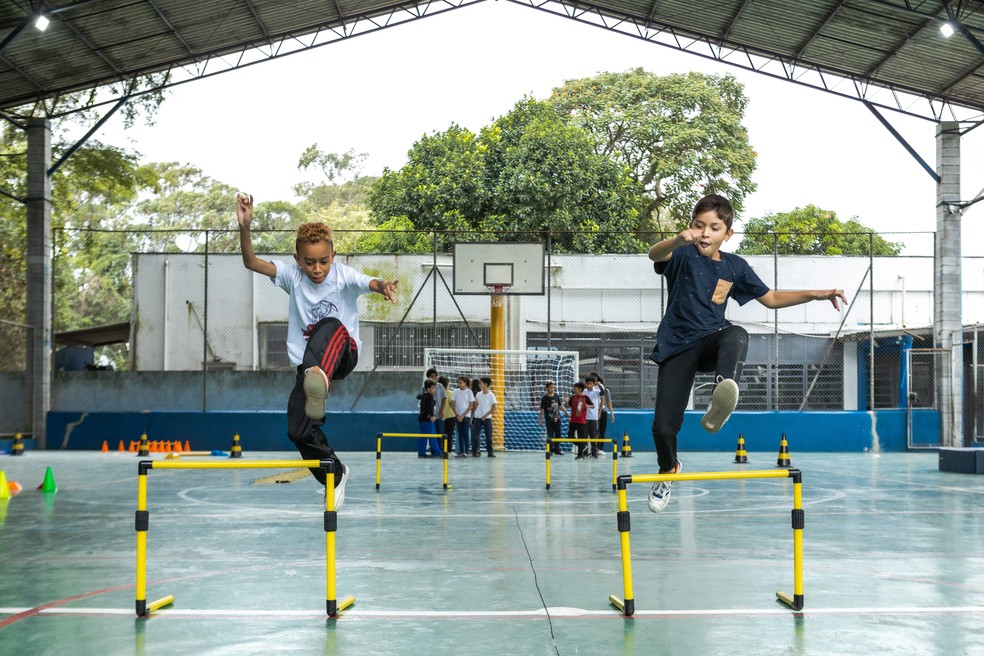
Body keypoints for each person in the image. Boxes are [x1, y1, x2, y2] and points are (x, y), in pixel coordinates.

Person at [646, 193, 847, 512]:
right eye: (699, 226)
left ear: (727, 234)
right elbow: (654, 254)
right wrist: (675, 240)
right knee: (663, 428)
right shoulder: (681, 254)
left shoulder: (735, 266)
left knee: (737, 333)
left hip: (712, 340)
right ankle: (668, 469)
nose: (705, 233)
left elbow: (771, 298)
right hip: (676, 348)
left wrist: (815, 294)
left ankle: (722, 393)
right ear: (691, 228)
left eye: (714, 227)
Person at [237, 193, 398, 510]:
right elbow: (250, 262)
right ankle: (335, 475)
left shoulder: (343, 276)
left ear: (333, 256)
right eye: (309, 262)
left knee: (330, 324)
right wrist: (245, 227)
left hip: (343, 352)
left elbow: (372, 282)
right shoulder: (291, 276)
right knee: (297, 430)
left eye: (323, 261)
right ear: (297, 259)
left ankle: (319, 377)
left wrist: (384, 288)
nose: (317, 269)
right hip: (308, 366)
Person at [417, 368, 443, 456]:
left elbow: (421, 403)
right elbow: (430, 407)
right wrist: (432, 415)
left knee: (422, 437)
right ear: (427, 388)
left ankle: (421, 452)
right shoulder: (430, 397)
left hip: (421, 419)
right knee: (432, 436)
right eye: (433, 388)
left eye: (435, 388)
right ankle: (437, 452)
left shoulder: (424, 396)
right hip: (428, 419)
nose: (434, 390)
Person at [538, 380, 568, 455]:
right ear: (547, 388)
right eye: (550, 387)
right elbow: (542, 409)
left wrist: (567, 413)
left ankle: (557, 449)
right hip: (549, 420)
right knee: (550, 435)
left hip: (557, 419)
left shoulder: (556, 396)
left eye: (553, 387)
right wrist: (540, 419)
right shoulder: (544, 398)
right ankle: (550, 450)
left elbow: (560, 406)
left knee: (558, 434)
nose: (552, 389)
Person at [566, 382, 593, 459]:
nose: (573, 390)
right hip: (573, 421)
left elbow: (593, 405)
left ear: (580, 389)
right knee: (570, 437)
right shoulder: (573, 397)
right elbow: (569, 406)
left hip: (582, 422)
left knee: (581, 437)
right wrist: (567, 402)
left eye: (575, 388)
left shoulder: (585, 398)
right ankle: (583, 446)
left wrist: (588, 406)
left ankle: (580, 454)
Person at [472, 376, 497, 457]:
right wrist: (475, 403)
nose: (479, 385)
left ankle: (490, 451)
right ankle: (476, 451)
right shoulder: (478, 394)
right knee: (476, 435)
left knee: (488, 436)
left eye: (481, 383)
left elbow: (494, 408)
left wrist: (485, 416)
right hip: (477, 417)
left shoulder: (491, 395)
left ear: (486, 384)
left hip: (487, 418)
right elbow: (475, 406)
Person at [591, 372, 615, 455]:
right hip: (592, 412)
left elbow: (608, 402)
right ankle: (594, 448)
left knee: (602, 430)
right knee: (594, 431)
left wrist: (612, 413)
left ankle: (600, 448)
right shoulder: (589, 389)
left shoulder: (604, 389)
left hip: (603, 411)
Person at [451, 376, 475, 457]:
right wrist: (457, 415)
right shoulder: (455, 392)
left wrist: (463, 415)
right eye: (458, 382)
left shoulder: (469, 392)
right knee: (460, 434)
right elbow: (452, 405)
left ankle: (467, 451)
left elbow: (471, 406)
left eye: (461, 382)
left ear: (465, 383)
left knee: (466, 433)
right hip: (458, 416)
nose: (459, 384)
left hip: (466, 416)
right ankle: (461, 451)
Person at [584, 375, 602, 458]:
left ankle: (594, 452)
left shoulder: (596, 392)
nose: (588, 385)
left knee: (593, 435)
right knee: (584, 435)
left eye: (590, 384)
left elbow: (603, 392)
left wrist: (599, 384)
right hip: (584, 417)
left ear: (593, 384)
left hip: (593, 417)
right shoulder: (584, 391)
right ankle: (585, 452)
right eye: (587, 384)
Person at [438, 375, 456, 455]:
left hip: (449, 417)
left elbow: (452, 404)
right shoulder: (449, 393)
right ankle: (446, 450)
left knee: (446, 435)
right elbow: (453, 405)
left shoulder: (450, 393)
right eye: (448, 383)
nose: (450, 384)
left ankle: (446, 450)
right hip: (445, 417)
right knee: (448, 435)